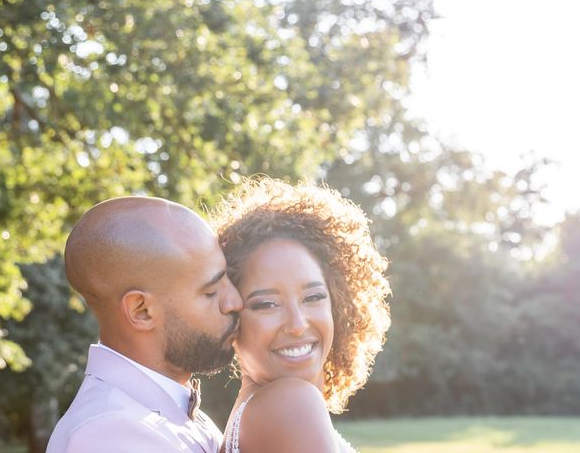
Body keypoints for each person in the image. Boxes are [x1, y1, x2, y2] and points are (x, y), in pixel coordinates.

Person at [47, 196, 243, 453]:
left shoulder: (171, 410)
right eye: (210, 291)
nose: (235, 301)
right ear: (141, 311)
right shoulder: (109, 436)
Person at [212, 178, 392, 453]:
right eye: (267, 304)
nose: (297, 324)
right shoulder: (290, 403)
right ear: (232, 318)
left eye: (313, 297)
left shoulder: (262, 408)